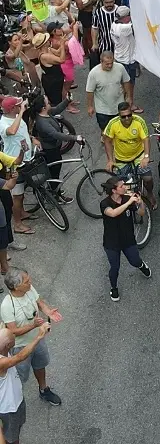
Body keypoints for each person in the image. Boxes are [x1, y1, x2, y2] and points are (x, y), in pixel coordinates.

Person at [0, 269, 62, 406]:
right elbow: (13, 332)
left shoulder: (29, 289)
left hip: (37, 339)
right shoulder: (7, 306)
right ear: (16, 287)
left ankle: (44, 389)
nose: (30, 282)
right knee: (19, 376)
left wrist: (48, 311)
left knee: (40, 365)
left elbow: (38, 301)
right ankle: (16, 402)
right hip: (20, 347)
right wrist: (33, 326)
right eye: (27, 282)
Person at [99, 176, 152, 301]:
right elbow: (112, 213)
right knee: (115, 267)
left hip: (128, 239)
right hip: (111, 242)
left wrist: (141, 204)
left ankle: (141, 265)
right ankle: (114, 288)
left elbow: (141, 213)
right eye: (122, 186)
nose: (125, 187)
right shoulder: (105, 204)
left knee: (135, 261)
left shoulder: (128, 198)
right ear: (114, 190)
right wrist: (129, 203)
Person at [0, 324, 51, 444]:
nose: (14, 336)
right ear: (8, 345)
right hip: (9, 408)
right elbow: (20, 356)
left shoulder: (4, 348)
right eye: (13, 337)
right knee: (12, 438)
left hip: (16, 402)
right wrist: (39, 337)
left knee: (14, 431)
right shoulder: (2, 362)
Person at [30, 94, 83, 204]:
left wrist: (67, 100)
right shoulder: (43, 123)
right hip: (50, 151)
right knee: (54, 173)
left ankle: (54, 189)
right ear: (43, 108)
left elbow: (57, 109)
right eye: (48, 102)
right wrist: (74, 138)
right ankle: (56, 195)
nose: (50, 103)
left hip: (54, 148)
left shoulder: (46, 113)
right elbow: (56, 134)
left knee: (55, 171)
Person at [103, 102, 156, 207]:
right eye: (123, 116)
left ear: (132, 113)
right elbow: (107, 141)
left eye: (129, 115)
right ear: (119, 116)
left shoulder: (139, 121)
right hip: (121, 159)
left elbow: (145, 139)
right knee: (124, 186)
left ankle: (149, 193)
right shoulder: (113, 124)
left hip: (138, 156)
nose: (127, 118)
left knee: (148, 178)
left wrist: (146, 157)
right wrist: (110, 160)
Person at [0, 97, 37, 236]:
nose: (21, 106)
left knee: (21, 194)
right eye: (18, 105)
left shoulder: (16, 116)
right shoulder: (3, 123)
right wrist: (21, 112)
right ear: (12, 109)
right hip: (12, 164)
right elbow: (12, 131)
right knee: (16, 195)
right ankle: (17, 224)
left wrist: (32, 139)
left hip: (24, 159)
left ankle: (21, 212)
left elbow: (22, 132)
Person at [85, 51, 131, 131]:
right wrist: (90, 106)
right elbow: (90, 91)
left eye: (111, 63)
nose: (110, 66)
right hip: (103, 109)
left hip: (119, 106)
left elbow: (126, 81)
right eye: (107, 64)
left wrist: (129, 97)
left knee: (120, 129)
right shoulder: (93, 73)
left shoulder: (120, 68)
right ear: (101, 61)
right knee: (105, 131)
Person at [110, 6, 139, 112]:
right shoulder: (125, 28)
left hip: (120, 57)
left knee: (122, 85)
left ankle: (122, 104)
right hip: (127, 60)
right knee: (129, 85)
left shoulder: (114, 25)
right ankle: (129, 105)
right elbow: (140, 24)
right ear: (125, 17)